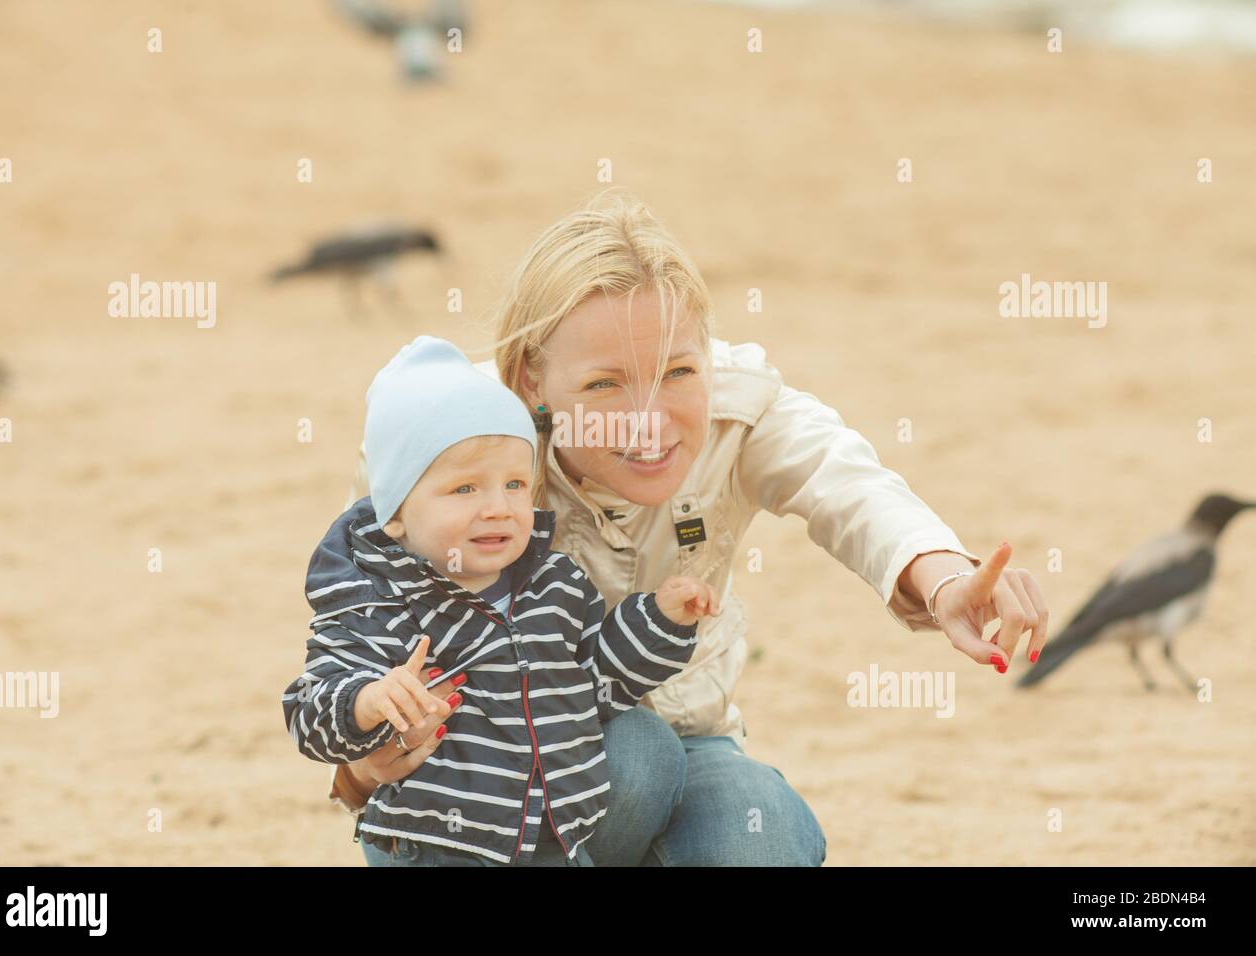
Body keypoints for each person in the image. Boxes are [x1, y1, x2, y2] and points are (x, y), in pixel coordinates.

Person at [325, 189, 1050, 866]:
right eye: (605, 384)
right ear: (529, 382)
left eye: (677, 371)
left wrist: (944, 574)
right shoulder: (446, 441)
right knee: (633, 759)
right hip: (481, 771)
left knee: (755, 822)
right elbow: (358, 626)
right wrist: (359, 767)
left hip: (688, 738)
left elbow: (848, 485)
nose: (649, 420)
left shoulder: (742, 410)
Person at [283, 335, 719, 866]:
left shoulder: (552, 584)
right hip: (441, 844)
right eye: (465, 489)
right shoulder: (376, 602)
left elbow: (592, 682)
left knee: (648, 746)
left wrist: (660, 622)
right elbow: (308, 712)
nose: (498, 508)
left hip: (552, 835)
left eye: (515, 484)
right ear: (394, 514)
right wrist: (366, 701)